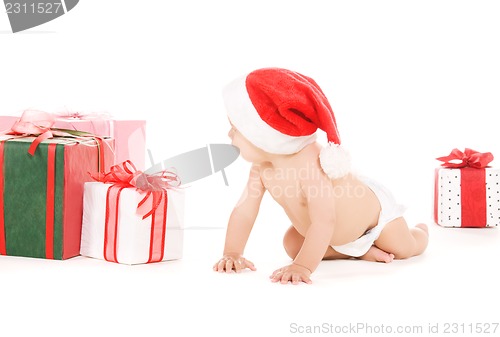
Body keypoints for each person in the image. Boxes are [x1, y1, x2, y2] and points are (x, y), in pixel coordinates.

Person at [212, 67, 429, 285]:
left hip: (374, 223)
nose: (229, 134)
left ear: (265, 135)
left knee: (402, 246)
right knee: (292, 244)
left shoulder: (310, 166)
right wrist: (232, 252)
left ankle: (420, 234)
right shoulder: (261, 168)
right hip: (332, 236)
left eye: (235, 128)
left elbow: (325, 221)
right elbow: (244, 212)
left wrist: (302, 266)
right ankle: (357, 252)